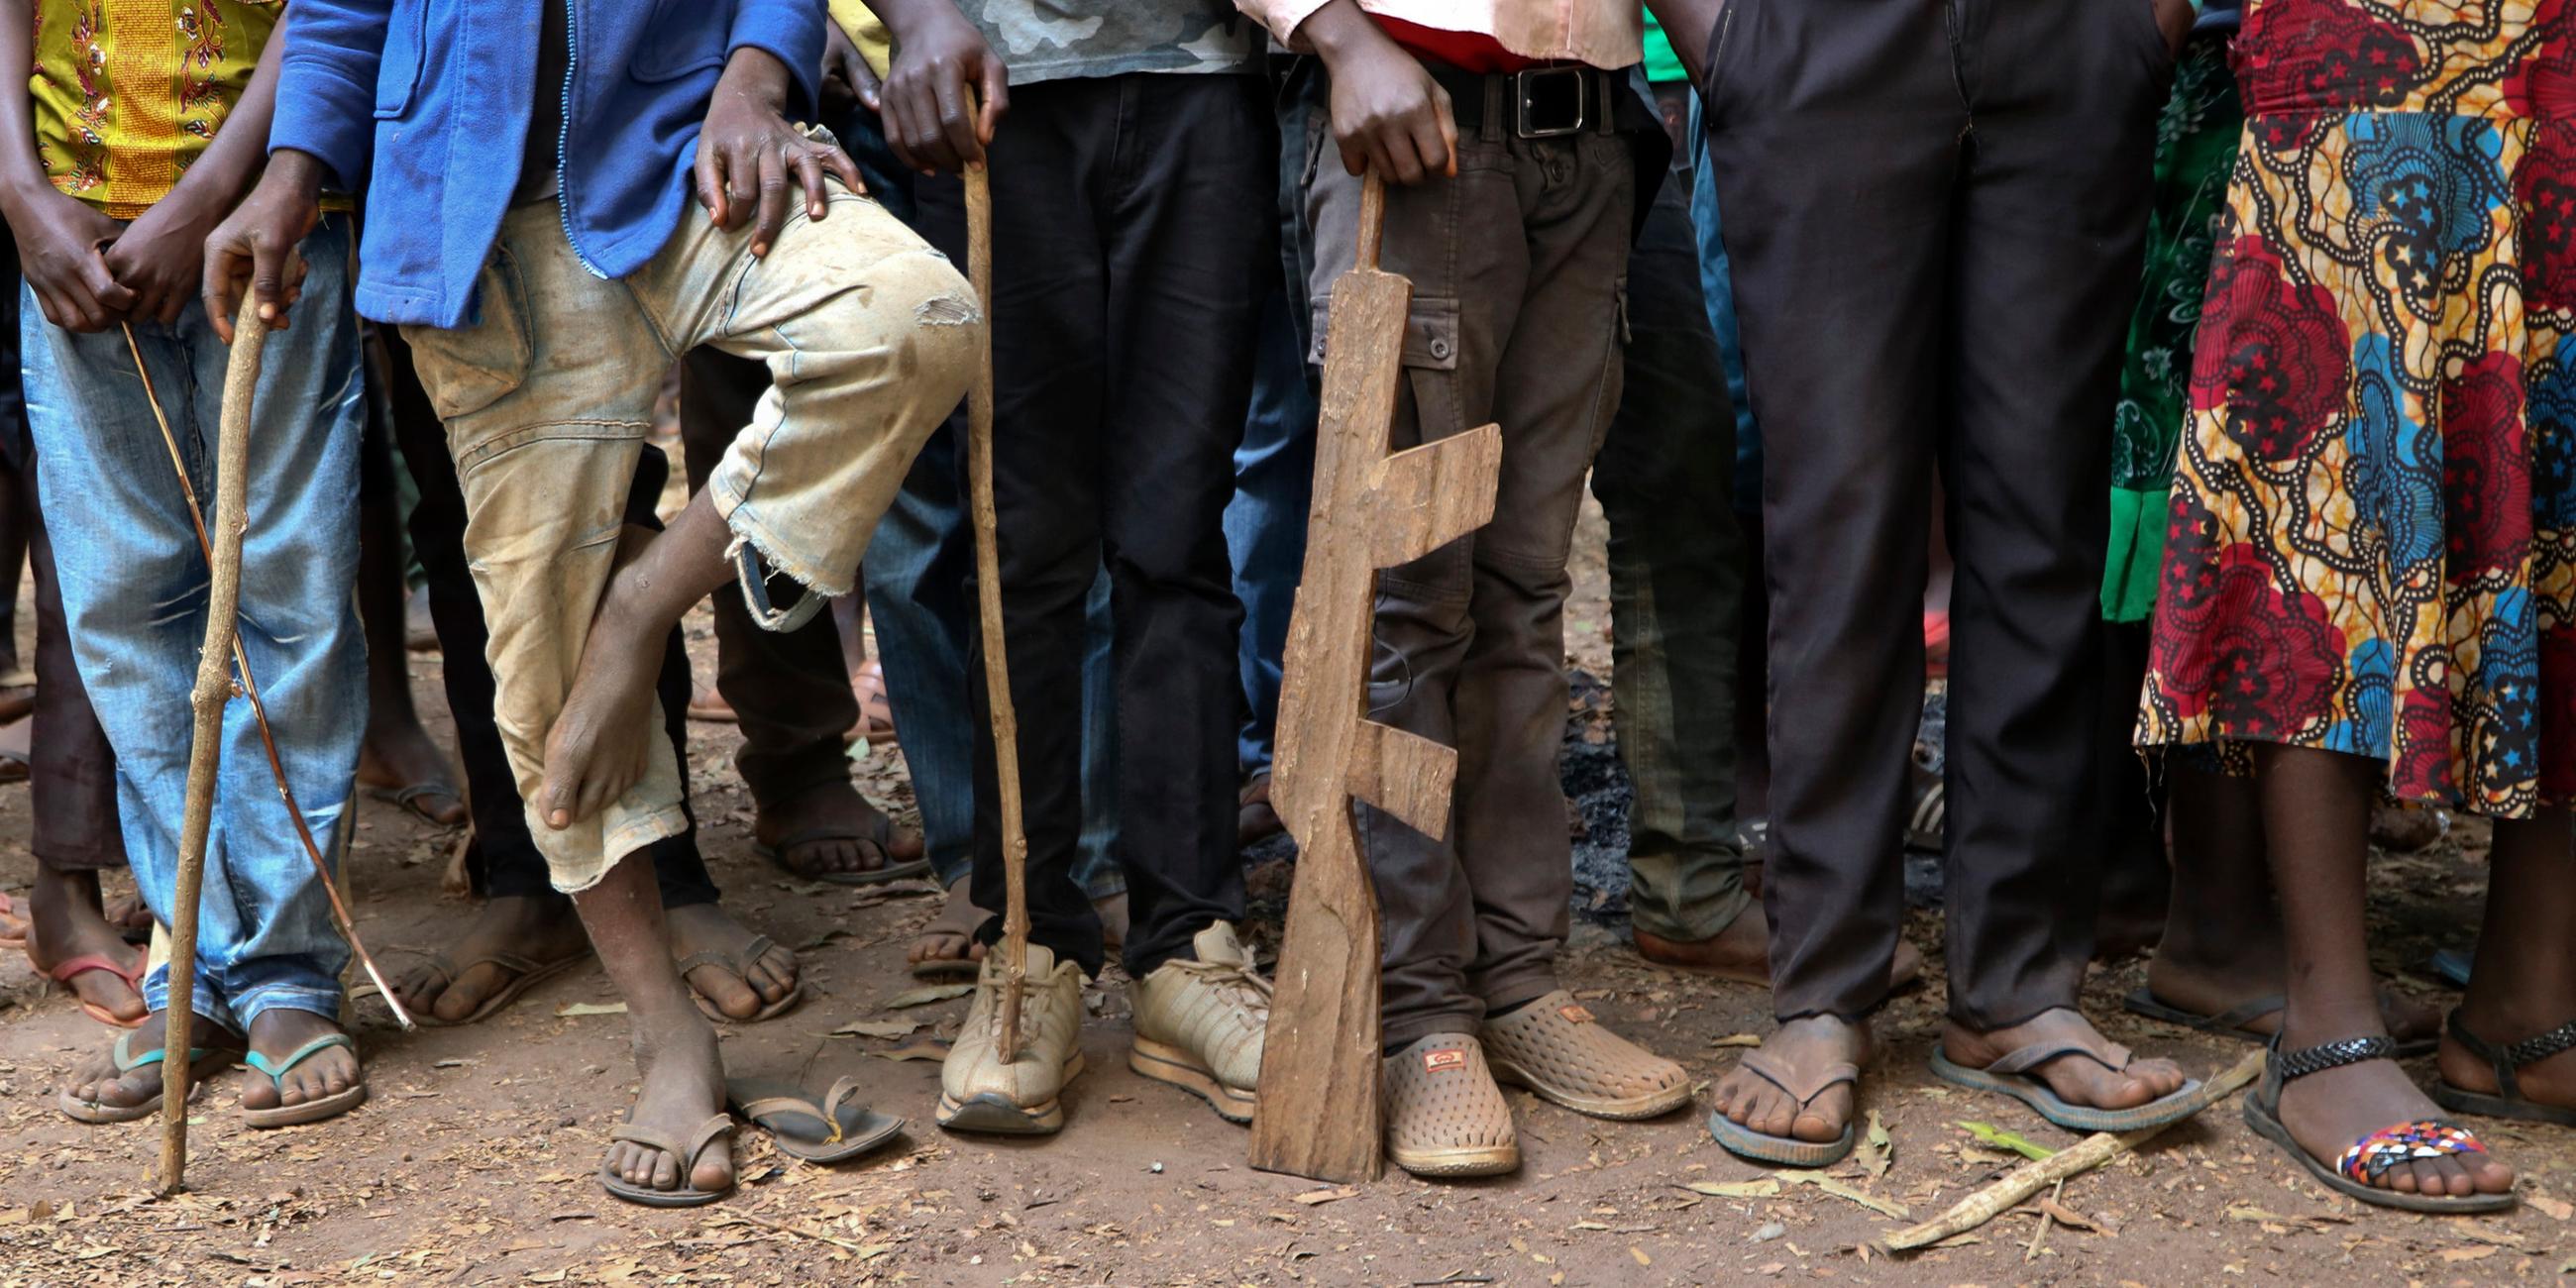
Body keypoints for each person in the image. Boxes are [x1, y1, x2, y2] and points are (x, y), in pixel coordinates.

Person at [222, 0, 978, 1204]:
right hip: (473, 227)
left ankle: (641, 606)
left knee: (910, 317)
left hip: (696, 158)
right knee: (537, 667)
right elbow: (339, 9)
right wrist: (291, 174)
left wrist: (756, 85)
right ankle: (666, 1034)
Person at [1692, 0, 2203, 1167]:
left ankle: (2015, 988)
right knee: (1839, 522)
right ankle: (1821, 987)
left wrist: (2141, 24)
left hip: (2071, 38)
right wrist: (1723, 34)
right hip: (1816, 40)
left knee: (2041, 513)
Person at [2136, 0, 2576, 1212]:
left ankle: (2523, 1009)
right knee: (2331, 500)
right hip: (2369, 42)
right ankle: (2323, 1036)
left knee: (2567, 501)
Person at [1242, 0, 1694, 1178]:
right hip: (1413, 115)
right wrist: (1333, 34)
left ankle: (1518, 977)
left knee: (1521, 595)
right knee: (1402, 598)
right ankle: (1418, 1012)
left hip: (1590, 134)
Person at [866, 0, 1279, 1138]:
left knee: (1174, 535)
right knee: (1018, 540)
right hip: (996, 92)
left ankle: (1185, 951)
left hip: (1203, 74)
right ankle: (1029, 942)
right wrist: (916, 15)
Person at [7, 0, 371, 1127]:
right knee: (125, 610)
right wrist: (19, 191)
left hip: (268, 227)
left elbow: (332, 10)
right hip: (70, 235)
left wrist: (207, 198)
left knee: (288, 593)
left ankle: (287, 969)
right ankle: (196, 964)